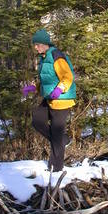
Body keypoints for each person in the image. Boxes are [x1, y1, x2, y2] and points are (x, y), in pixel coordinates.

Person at [22, 29, 76, 172]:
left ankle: (56, 168)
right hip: (50, 98)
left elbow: (67, 76)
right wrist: (33, 88)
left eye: (37, 44)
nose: (35, 47)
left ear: (45, 44)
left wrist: (59, 90)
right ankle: (63, 140)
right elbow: (47, 80)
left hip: (62, 100)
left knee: (56, 133)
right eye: (34, 45)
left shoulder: (56, 56)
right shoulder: (44, 58)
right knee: (37, 120)